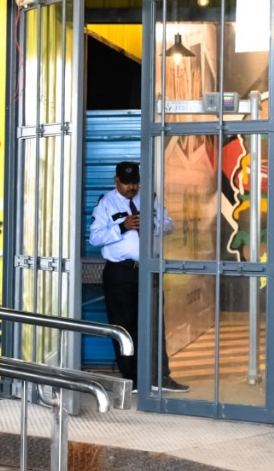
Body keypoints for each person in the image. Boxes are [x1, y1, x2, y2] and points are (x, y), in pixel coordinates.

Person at [89, 160, 189, 393]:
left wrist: (153, 225)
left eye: (135, 182)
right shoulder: (106, 202)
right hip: (120, 272)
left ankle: (160, 376)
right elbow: (95, 238)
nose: (131, 188)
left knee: (154, 322)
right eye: (126, 183)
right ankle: (131, 377)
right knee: (124, 325)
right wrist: (122, 227)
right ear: (116, 181)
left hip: (148, 269)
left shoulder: (149, 198)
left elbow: (169, 224)